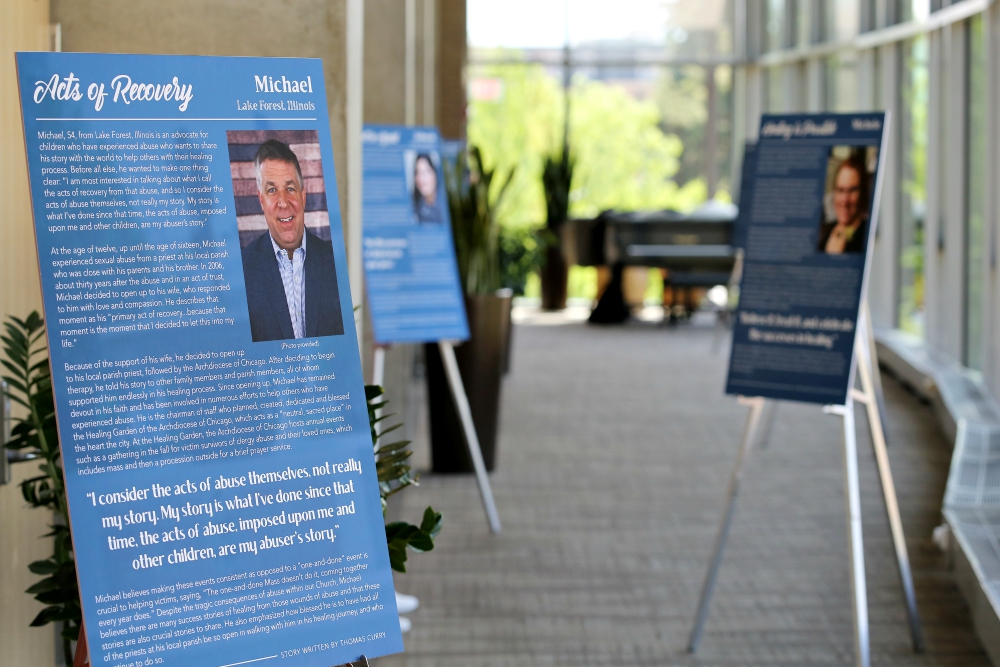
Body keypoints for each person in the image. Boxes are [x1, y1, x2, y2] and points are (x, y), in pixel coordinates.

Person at [241, 139, 344, 342]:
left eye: (290, 188)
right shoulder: (243, 269)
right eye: (272, 190)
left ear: (303, 196)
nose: (283, 202)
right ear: (261, 200)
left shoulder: (335, 262)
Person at [817, 156, 869, 254]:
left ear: (863, 193)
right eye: (840, 190)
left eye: (852, 190)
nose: (844, 200)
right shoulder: (827, 229)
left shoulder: (867, 236)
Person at [412, 153, 443, 223]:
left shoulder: (445, 204)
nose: (421, 178)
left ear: (435, 174)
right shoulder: (416, 206)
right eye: (417, 172)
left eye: (426, 172)